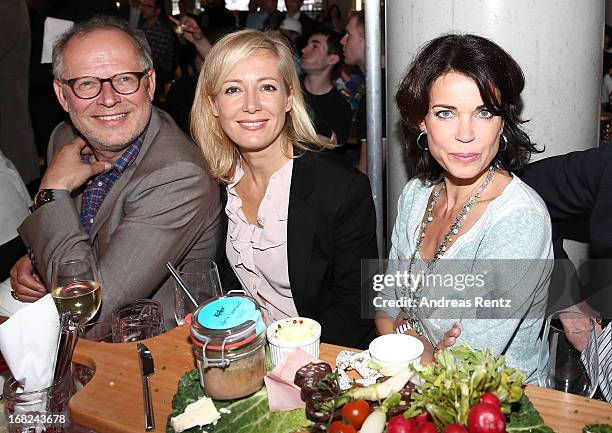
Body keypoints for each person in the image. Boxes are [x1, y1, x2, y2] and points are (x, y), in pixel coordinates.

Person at [9, 15, 222, 329]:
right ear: (61, 95)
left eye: (124, 79)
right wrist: (40, 259)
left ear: (149, 83)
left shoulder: (179, 176)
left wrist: (51, 191)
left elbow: (89, 316)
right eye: (87, 84)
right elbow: (71, 239)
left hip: (139, 350)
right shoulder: (64, 138)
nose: (108, 99)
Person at [376, 34, 553, 381]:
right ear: (420, 122)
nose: (466, 134)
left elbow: (467, 366)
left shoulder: (519, 220)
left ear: (503, 123)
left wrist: (408, 336)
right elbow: (383, 304)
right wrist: (426, 348)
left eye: (484, 113)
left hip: (503, 407)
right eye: (446, 113)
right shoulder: (415, 195)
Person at [190, 29, 378, 348]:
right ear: (213, 104)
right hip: (243, 355)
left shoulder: (342, 190)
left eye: (267, 87)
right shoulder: (213, 184)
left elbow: (356, 314)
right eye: (233, 89)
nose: (251, 105)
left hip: (320, 365)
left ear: (289, 98)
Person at [300, 27, 351, 145]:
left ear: (332, 59)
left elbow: (335, 151)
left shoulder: (340, 108)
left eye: (315, 46)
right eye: (307, 44)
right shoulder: (288, 92)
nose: (304, 50)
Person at [139, 0, 176, 103]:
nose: (143, 9)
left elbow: (156, 60)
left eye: (148, 6)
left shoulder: (163, 31)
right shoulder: (142, 27)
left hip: (160, 74)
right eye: (143, 6)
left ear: (157, 11)